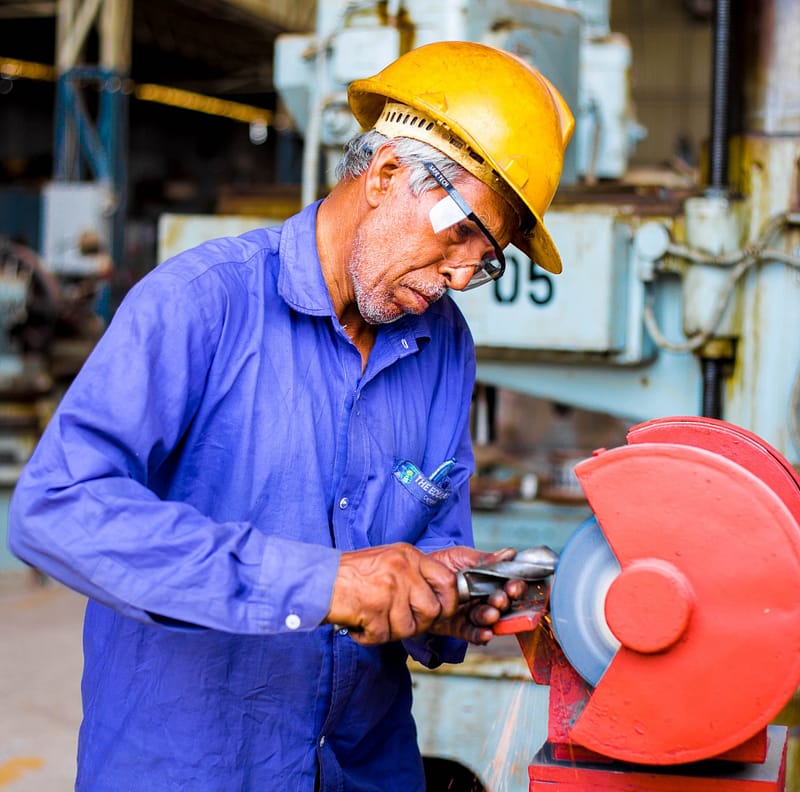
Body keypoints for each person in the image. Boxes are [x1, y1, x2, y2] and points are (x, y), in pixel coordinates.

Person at [9, 40, 573, 791]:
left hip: (363, 767)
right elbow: (56, 508)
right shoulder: (200, 304)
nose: (464, 273)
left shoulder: (443, 345)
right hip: (194, 767)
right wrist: (322, 582)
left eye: (489, 255)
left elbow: (435, 536)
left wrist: (452, 592)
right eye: (461, 232)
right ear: (387, 175)